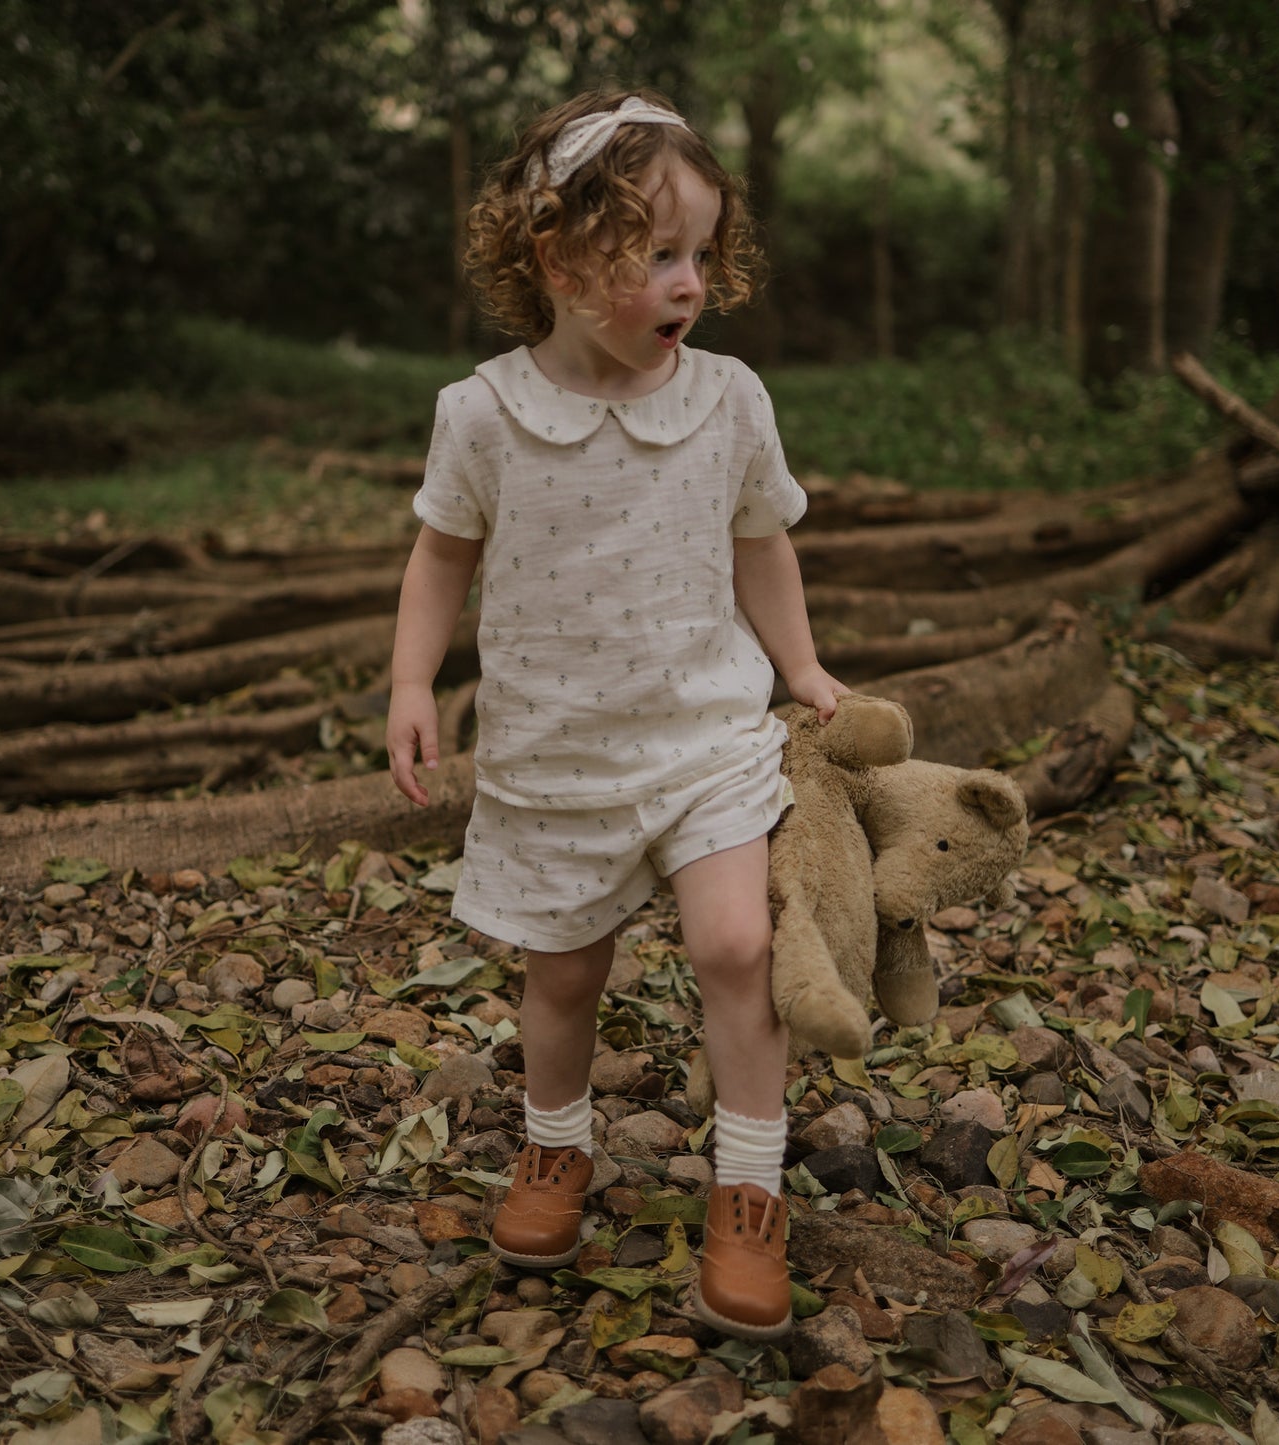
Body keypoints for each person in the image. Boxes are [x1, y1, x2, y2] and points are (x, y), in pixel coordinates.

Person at [385, 88, 849, 1341]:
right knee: (564, 974)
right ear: (555, 257)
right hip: (553, 753)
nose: (689, 280)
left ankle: (746, 1192)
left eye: (699, 252)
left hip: (704, 737)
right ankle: (553, 1148)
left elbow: (762, 546)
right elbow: (439, 556)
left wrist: (800, 670)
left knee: (738, 948)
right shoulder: (483, 414)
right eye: (654, 255)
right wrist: (411, 683)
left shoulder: (729, 400)